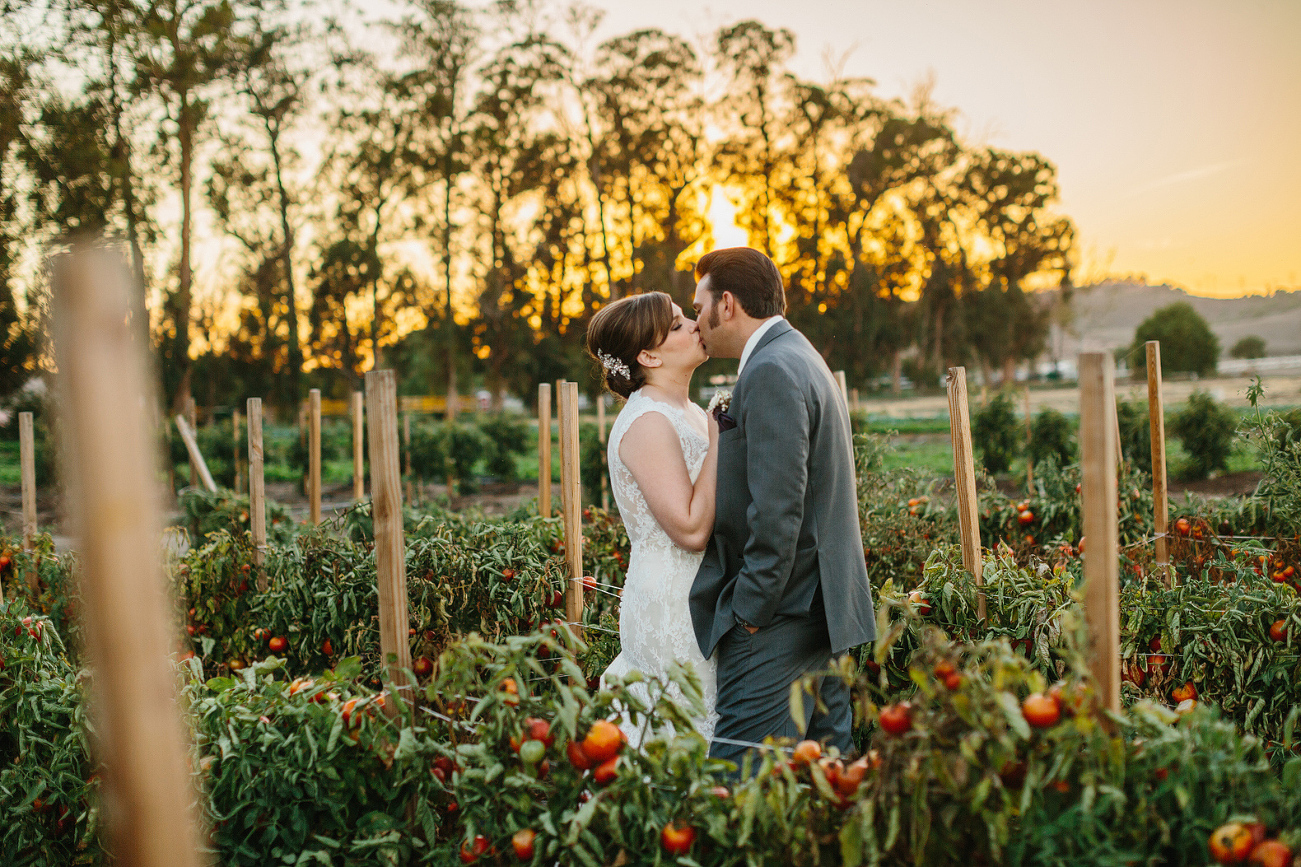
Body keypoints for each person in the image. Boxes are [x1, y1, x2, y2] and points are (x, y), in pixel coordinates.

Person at [687, 247, 877, 769]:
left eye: (698, 305)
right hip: (827, 609)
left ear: (726, 305)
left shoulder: (770, 370)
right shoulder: (800, 353)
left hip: (780, 620)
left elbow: (777, 511)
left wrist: (750, 611)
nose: (695, 320)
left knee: (737, 780)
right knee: (824, 784)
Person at [585, 291, 720, 744]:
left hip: (704, 595)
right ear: (648, 355)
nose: (695, 325)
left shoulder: (692, 413)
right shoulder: (647, 421)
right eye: (679, 324)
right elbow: (690, 529)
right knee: (679, 735)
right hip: (673, 603)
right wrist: (723, 438)